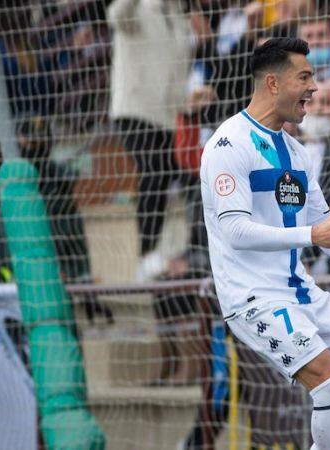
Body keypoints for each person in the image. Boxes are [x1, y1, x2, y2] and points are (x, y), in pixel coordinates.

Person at [199, 37, 330, 449]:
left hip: (300, 290)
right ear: (273, 84)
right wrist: (312, 235)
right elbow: (235, 232)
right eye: (304, 77)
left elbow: (328, 231)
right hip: (253, 297)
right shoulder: (228, 144)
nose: (314, 87)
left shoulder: (297, 153)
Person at [107, 0, 197, 281]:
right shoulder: (138, 8)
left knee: (180, 175)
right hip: (136, 107)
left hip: (171, 116)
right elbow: (116, 16)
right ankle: (146, 255)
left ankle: (183, 250)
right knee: (153, 169)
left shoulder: (181, 17)